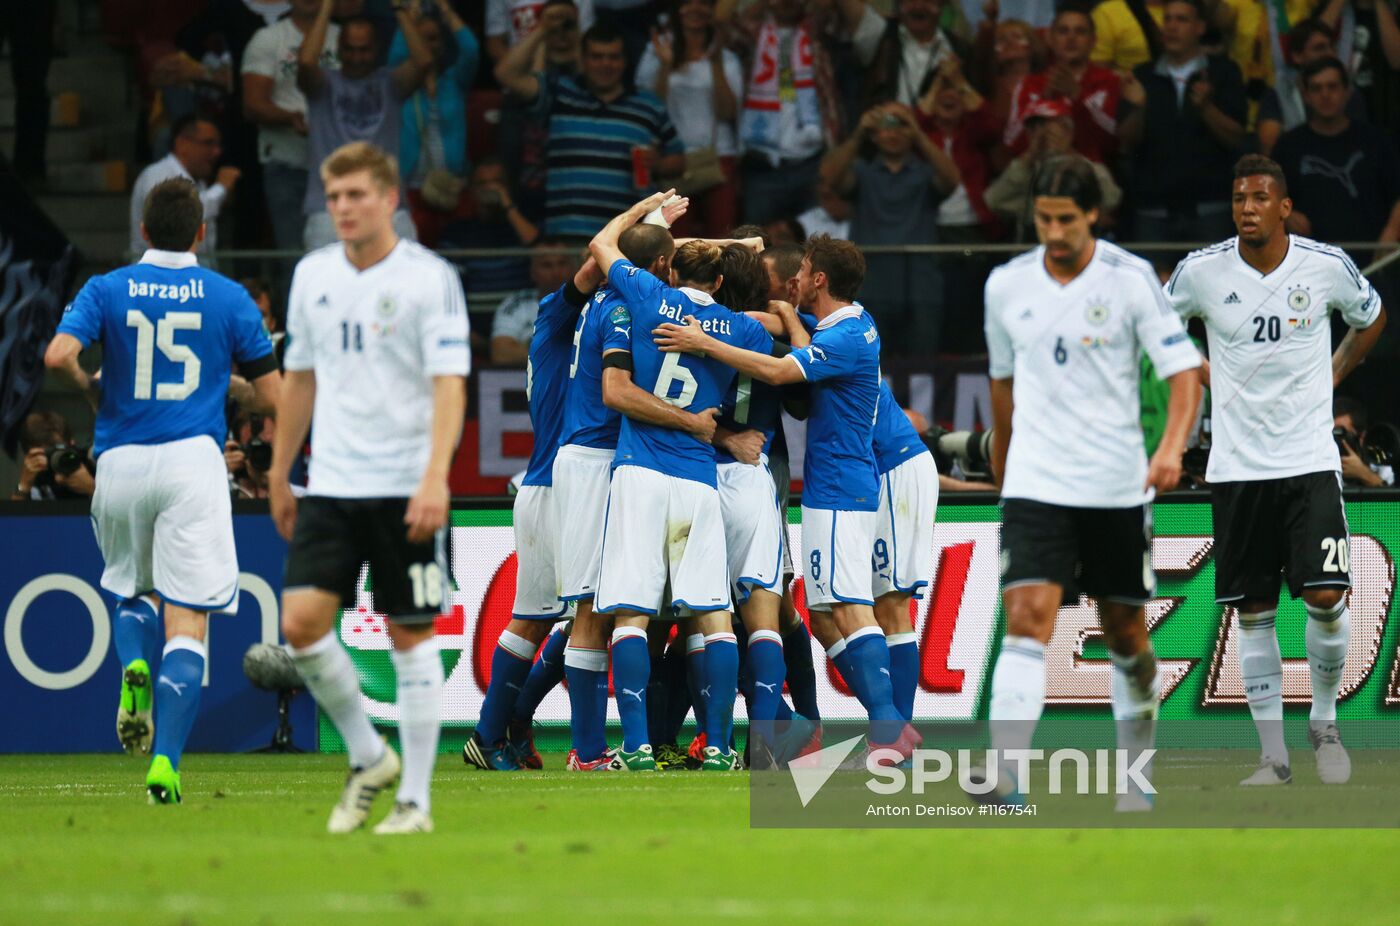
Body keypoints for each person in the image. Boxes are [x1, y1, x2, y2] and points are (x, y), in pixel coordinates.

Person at [977, 154, 1202, 811]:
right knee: (1027, 617)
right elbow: (1001, 382)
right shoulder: (1005, 285)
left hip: (1114, 485)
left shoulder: (1130, 279)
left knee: (1126, 633)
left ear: (1094, 214)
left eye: (1066, 220)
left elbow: (1184, 375)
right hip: (1036, 481)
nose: (1053, 232)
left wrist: (1170, 449)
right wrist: (1004, 462)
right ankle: (1005, 775)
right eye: (1043, 219)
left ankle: (1136, 773)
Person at [45, 177, 281, 803]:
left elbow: (58, 356)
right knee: (189, 618)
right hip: (191, 463)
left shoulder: (107, 288)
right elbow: (274, 399)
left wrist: (94, 392)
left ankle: (133, 665)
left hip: (120, 461)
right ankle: (166, 766)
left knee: (133, 587)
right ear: (201, 233)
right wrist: (233, 389)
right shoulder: (229, 297)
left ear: (143, 230)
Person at [654, 233, 919, 764]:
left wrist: (705, 340)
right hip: (802, 481)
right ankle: (842, 727)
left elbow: (781, 370)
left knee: (845, 605)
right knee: (808, 614)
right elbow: (795, 370)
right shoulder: (847, 323)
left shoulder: (843, 336)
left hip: (826, 485)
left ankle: (887, 728)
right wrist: (783, 318)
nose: (792, 280)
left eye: (801, 270)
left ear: (819, 278)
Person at [1165, 154, 1387, 786]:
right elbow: (1156, 327)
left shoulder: (1326, 265)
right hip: (1237, 468)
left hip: (1308, 461)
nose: (1247, 209)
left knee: (1326, 596)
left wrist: (1335, 370)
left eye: (1260, 198)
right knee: (1254, 611)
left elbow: (1371, 317)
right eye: (1239, 198)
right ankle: (1274, 757)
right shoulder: (1201, 271)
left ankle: (1324, 723)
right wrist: (1203, 372)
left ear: (1284, 207)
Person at [270, 142, 469, 834]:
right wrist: (280, 471)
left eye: (356, 195)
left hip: (405, 485)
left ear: (389, 199)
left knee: (410, 635)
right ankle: (368, 754)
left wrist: (436, 476)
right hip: (331, 483)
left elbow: (449, 387)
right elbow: (299, 379)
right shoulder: (312, 275)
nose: (343, 208)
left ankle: (415, 801)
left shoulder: (429, 278)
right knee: (300, 626)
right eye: (334, 197)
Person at [589, 197, 780, 772]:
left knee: (632, 615)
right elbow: (774, 340)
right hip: (699, 480)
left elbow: (603, 245)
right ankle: (720, 747)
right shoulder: (743, 329)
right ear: (719, 282)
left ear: (671, 270)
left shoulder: (650, 297)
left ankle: (636, 747)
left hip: (641, 471)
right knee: (714, 616)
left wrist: (645, 209)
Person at [551, 197, 716, 770]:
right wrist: (692, 422)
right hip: (596, 459)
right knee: (592, 610)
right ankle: (588, 750)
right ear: (663, 266)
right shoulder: (622, 307)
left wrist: (654, 222)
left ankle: (597, 747)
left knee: (602, 608)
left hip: (597, 458)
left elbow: (617, 247)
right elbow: (616, 392)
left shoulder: (605, 296)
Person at [463, 255, 606, 771]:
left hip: (570, 488)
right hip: (555, 489)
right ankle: (490, 735)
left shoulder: (588, 335)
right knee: (540, 618)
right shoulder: (555, 321)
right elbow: (590, 273)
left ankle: (515, 723)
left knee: (576, 617)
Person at [496, 21, 685, 237]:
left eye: (613, 57)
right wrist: (544, 27)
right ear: (583, 60)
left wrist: (658, 164)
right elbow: (506, 74)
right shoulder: (558, 93)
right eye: (597, 57)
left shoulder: (649, 105)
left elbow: (679, 161)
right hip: (565, 236)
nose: (605, 64)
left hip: (626, 239)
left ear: (625, 61)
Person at [822, 102, 959, 351]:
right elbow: (829, 177)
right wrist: (859, 134)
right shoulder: (862, 172)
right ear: (874, 134)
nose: (894, 133)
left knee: (924, 363)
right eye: (886, 126)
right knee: (872, 361)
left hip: (921, 285)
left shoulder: (925, 173)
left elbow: (952, 179)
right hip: (872, 284)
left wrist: (918, 133)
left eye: (901, 125)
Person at [297, 0, 434, 248]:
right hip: (329, 209)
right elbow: (306, 62)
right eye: (349, 49)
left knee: (404, 275)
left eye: (364, 50)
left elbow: (424, 61)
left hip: (388, 208)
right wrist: (328, 6)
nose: (356, 57)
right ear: (338, 48)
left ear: (377, 50)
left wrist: (398, 8)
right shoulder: (322, 86)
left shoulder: (391, 84)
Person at [1118, 0, 1245, 255]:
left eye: (1181, 19)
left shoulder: (1223, 72)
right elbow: (1125, 143)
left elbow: (1236, 138)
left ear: (1199, 27)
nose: (1172, 26)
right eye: (1167, 19)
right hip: (1153, 208)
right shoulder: (1143, 75)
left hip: (1210, 207)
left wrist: (1206, 108)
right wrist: (1140, 108)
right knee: (1153, 281)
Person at [721, 0, 848, 225]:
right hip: (762, 164)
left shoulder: (818, 31)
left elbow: (835, 9)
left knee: (816, 242)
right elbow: (722, 21)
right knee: (759, 243)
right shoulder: (753, 34)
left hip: (812, 163)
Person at [636, 0, 746, 237]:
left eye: (703, 3)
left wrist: (715, 63)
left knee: (721, 238)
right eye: (687, 2)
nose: (695, 8)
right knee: (674, 239)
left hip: (717, 158)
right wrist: (666, 66)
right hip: (672, 158)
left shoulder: (726, 57)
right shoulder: (656, 50)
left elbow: (727, 112)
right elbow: (650, 108)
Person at [242, 0, 341, 252]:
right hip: (286, 163)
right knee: (292, 254)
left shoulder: (345, 39)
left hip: (338, 166)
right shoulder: (269, 38)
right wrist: (290, 118)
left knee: (337, 255)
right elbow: (252, 105)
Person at [1273, 57, 1400, 246]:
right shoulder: (1288, 146)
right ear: (1306, 96)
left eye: (1332, 87)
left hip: (1370, 254)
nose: (1325, 95)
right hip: (1308, 256)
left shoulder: (1376, 141)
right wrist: (1284, 215)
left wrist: (1391, 234)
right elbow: (1266, 196)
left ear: (1347, 92)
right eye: (1316, 88)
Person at [391, 0, 481, 241]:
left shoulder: (454, 81)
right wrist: (408, 16)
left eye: (432, 38)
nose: (426, 45)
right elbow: (397, 54)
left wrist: (445, 8)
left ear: (442, 43)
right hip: (411, 188)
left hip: (451, 186)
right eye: (419, 39)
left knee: (457, 250)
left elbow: (471, 49)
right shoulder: (399, 86)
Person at [1003, 5, 1121, 164]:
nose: (1071, 38)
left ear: (1093, 41)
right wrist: (1043, 101)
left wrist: (1078, 96)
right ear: (1050, 39)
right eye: (1063, 31)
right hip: (1036, 169)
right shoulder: (1029, 84)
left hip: (1089, 170)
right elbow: (1011, 143)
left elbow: (1111, 142)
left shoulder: (1109, 81)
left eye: (1080, 32)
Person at [129, 115, 241, 262]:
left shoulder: (198, 181)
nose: (217, 152)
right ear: (182, 144)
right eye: (208, 143)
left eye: (218, 145)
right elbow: (177, 220)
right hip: (158, 273)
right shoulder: (158, 175)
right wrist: (221, 188)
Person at [1256, 19, 1367, 156]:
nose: (1330, 54)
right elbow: (1269, 148)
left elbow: (1360, 143)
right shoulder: (1278, 95)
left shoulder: (1347, 92)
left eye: (1332, 47)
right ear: (1297, 56)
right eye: (1320, 48)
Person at [490, 241, 580, 366]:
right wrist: (562, 356)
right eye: (546, 265)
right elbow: (501, 353)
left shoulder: (591, 302)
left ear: (574, 268)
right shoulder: (517, 304)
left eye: (562, 263)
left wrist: (531, 352)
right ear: (532, 272)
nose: (556, 272)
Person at [10, 411, 96, 502]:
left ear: (72, 444)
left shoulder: (89, 466)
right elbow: (13, 511)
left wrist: (91, 488)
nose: (54, 460)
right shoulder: (34, 477)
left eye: (59, 452)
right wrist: (24, 486)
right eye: (48, 454)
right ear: (28, 456)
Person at [486, 0, 596, 63]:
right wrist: (518, 73)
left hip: (570, 74)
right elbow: (495, 44)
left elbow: (586, 40)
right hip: (520, 78)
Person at [1335, 396, 1395, 488]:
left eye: (1340, 432)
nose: (1334, 439)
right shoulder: (1318, 465)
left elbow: (1391, 497)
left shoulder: (1380, 469)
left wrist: (1364, 474)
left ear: (1361, 437)